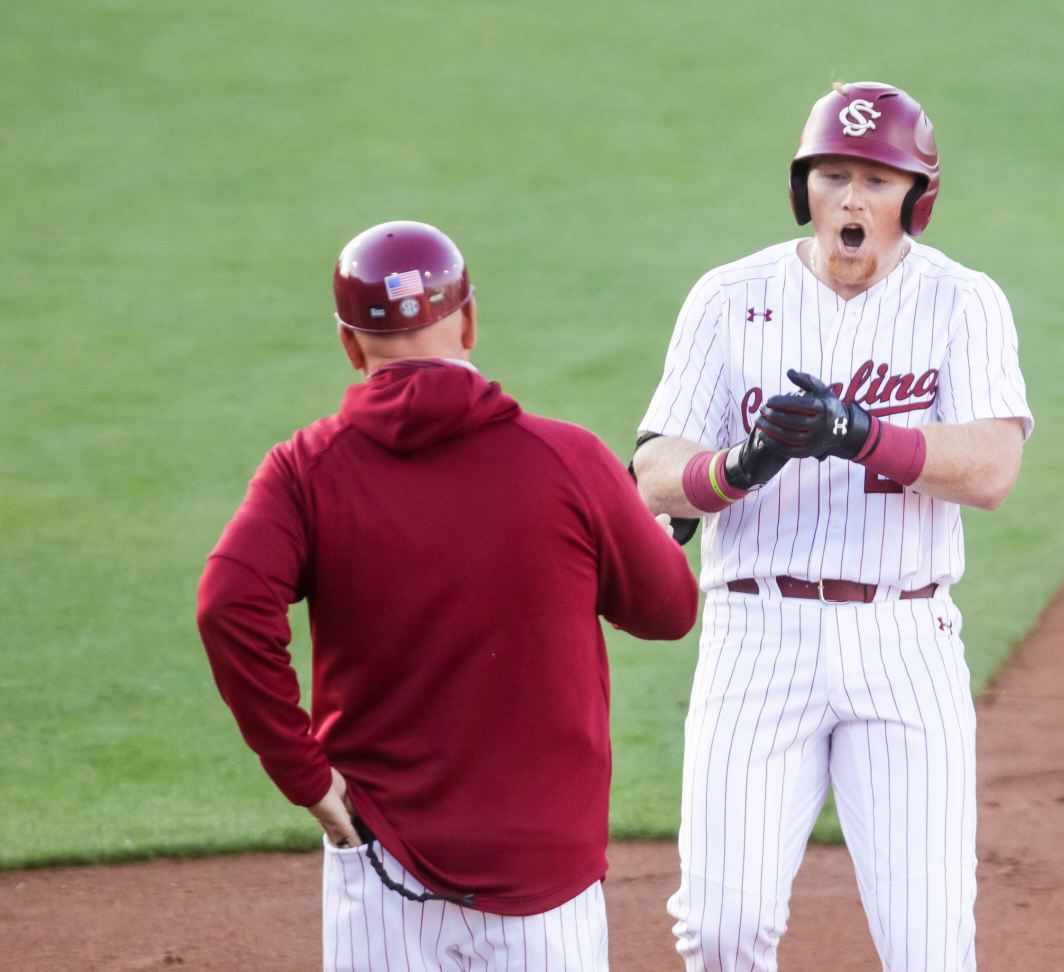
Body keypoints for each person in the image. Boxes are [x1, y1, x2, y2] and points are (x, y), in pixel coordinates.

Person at [196, 220, 699, 972]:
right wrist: (643, 536)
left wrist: (307, 779)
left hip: (378, 861)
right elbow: (668, 612)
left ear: (349, 343)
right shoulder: (569, 462)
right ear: (467, 321)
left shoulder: (303, 471)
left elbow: (226, 607)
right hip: (543, 880)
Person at [631, 83, 1033, 972]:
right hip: (754, 634)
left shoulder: (964, 303)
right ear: (802, 188)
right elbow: (652, 471)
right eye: (834, 175)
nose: (852, 199)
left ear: (916, 200)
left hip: (905, 639)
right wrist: (737, 467)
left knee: (929, 944)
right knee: (723, 928)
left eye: (878, 180)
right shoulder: (727, 298)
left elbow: (994, 468)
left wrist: (860, 435)